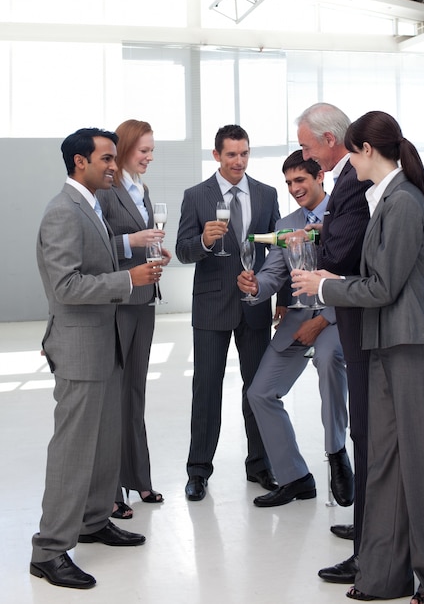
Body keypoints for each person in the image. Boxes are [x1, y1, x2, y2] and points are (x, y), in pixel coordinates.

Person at [292, 110, 424, 604]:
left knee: (422, 465)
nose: (347, 161)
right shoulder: (385, 197)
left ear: (367, 150)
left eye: (351, 151)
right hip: (384, 344)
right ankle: (385, 575)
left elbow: (385, 286)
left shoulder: (405, 201)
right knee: (385, 464)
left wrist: (327, 285)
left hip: (410, 346)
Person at [31, 128, 162, 589]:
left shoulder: (91, 207)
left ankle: (91, 520)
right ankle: (49, 549)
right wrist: (130, 280)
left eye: (114, 158)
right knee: (73, 449)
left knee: (105, 440)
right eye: (106, 159)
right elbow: (66, 287)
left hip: (106, 341)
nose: (114, 166)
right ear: (79, 162)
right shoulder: (63, 212)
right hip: (81, 345)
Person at [237, 150, 353, 508]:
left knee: (329, 360)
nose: (293, 188)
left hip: (335, 316)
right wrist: (256, 287)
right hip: (296, 322)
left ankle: (336, 452)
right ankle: (296, 478)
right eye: (288, 182)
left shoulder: (347, 214)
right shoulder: (287, 222)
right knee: (259, 394)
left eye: (300, 180)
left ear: (319, 177)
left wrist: (324, 321)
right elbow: (274, 273)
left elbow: (354, 274)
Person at [175, 124, 280, 501]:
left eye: (245, 153)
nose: (239, 161)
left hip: (254, 305)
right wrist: (204, 240)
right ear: (216, 155)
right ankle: (198, 470)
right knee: (206, 390)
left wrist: (279, 296)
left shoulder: (266, 195)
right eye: (232, 154)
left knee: (257, 389)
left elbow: (278, 251)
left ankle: (261, 465)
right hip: (210, 305)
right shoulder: (196, 196)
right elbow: (183, 250)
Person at [297, 102, 372, 583]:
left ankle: (371, 540)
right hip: (354, 313)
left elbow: (344, 250)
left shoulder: (353, 181)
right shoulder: (348, 181)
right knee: (363, 430)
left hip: (360, 317)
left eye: (306, 145)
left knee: (367, 431)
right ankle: (368, 526)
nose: (305, 156)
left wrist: (315, 248)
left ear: (330, 141)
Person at [97, 119, 171, 519]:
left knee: (135, 394)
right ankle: (109, 491)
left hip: (145, 299)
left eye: (151, 150)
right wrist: (133, 241)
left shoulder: (141, 189)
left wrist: (158, 252)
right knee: (114, 397)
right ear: (125, 148)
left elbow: (147, 238)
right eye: (143, 150)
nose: (149, 157)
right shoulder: (106, 191)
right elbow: (96, 244)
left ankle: (138, 478)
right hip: (120, 302)